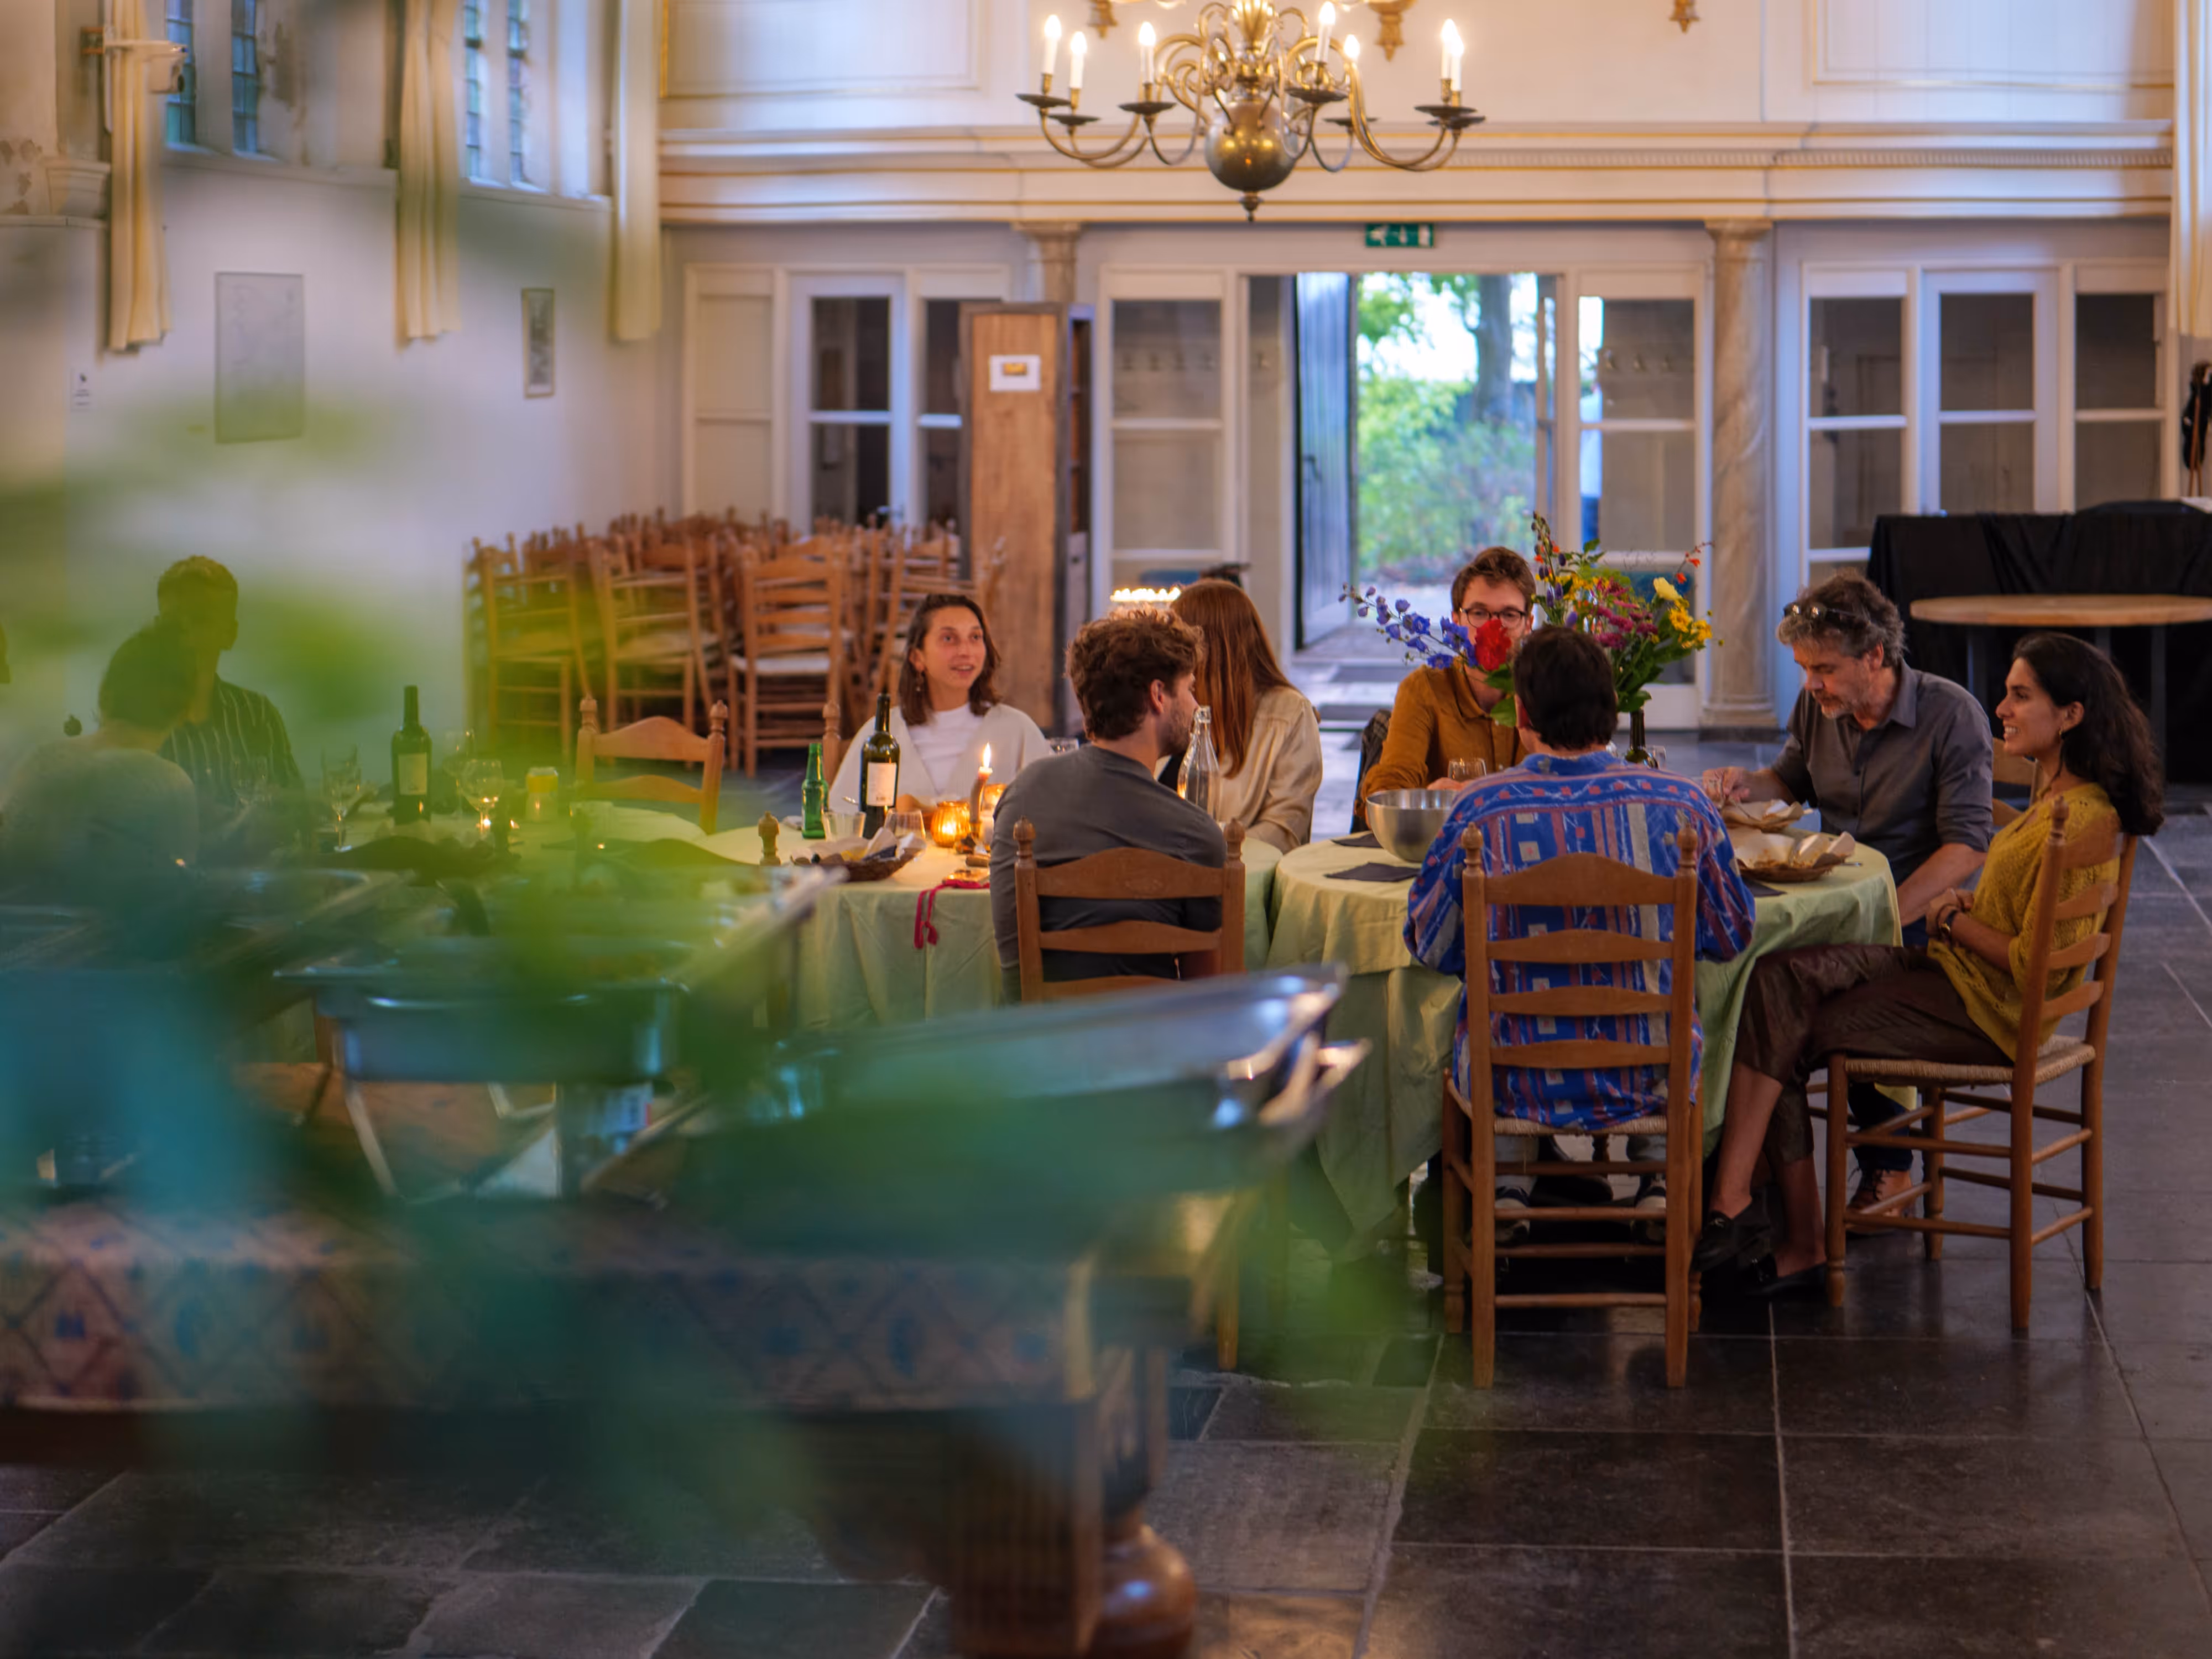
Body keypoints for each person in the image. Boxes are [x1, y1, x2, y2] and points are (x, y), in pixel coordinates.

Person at [1694, 634, 2159, 1297]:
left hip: (1988, 1012)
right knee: (1777, 979)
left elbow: (2033, 966)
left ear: (2071, 715)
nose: (2001, 707)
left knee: (1781, 1019)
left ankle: (1778, 1229)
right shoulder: (2052, 799)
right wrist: (1966, 908)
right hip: (1958, 980)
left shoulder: (2077, 819)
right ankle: (1736, 1200)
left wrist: (1949, 918)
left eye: (2020, 696)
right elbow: (2020, 907)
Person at [1406, 628, 1756, 1243]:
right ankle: (1657, 1178)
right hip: (1649, 1072)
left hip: (1512, 1074)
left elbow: (1430, 946)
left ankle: (1508, 1181)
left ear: (1522, 712)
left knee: (1484, 1014)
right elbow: (1731, 934)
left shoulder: (1479, 811)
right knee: (1667, 1004)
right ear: (1614, 709)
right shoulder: (1684, 807)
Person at [1700, 572, 1994, 1216]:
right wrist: (1739, 785)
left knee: (1806, 994)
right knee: (1746, 975)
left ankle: (1890, 1161)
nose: (1810, 684)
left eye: (1824, 669)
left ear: (1876, 657)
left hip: (1916, 919)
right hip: (1837, 900)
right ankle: (1752, 1167)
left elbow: (1968, 846)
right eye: (1805, 668)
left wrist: (1890, 913)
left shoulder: (1951, 715)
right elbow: (1788, 779)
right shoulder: (1820, 707)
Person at [989, 607, 1225, 993]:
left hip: (1036, 1042)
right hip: (1151, 1046)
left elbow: (1014, 971)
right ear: (1158, 695)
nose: (1196, 706)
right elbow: (1209, 993)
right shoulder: (1195, 834)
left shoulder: (1021, 797)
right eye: (1189, 689)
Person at [0, 619, 199, 899]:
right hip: (97, 940)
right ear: (184, 713)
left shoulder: (41, 758)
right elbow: (179, 888)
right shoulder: (168, 784)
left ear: (105, 692)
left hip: (18, 934)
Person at [831, 592, 1049, 807]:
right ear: (918, 658)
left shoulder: (1016, 729)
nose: (966, 651)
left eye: (975, 638)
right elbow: (842, 814)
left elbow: (1050, 810)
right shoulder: (883, 734)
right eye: (949, 639)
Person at [1359, 546, 1536, 811]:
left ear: (1529, 624)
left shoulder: (1545, 692)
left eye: (1509, 615)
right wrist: (1425, 799)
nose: (1493, 627)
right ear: (1456, 621)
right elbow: (1391, 785)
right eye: (1479, 613)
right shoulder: (1424, 689)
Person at [1167, 580, 1323, 852]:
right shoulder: (1172, 705)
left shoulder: (1289, 715)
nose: (1167, 655)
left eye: (1175, 642)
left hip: (1240, 878)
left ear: (1206, 650)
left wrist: (1207, 850)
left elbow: (1285, 833)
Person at [154, 557, 301, 812]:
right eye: (174, 620)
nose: (185, 632)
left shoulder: (258, 715)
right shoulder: (133, 722)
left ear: (230, 635)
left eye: (200, 620)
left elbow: (296, 814)